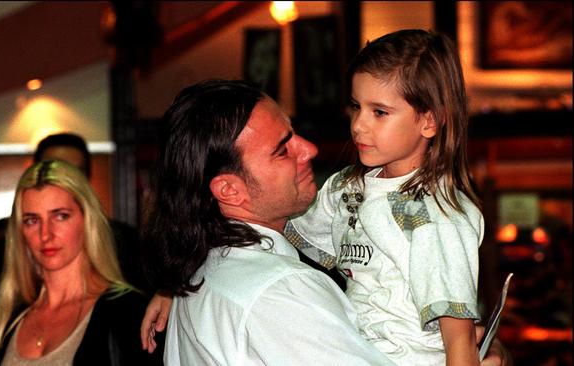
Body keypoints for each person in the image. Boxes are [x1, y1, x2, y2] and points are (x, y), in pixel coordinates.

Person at [141, 78, 511, 365]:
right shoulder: (281, 291)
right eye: (283, 149)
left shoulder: (205, 271)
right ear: (230, 190)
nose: (310, 149)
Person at [284, 29, 483, 365]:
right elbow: (265, 233)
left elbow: (460, 342)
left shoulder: (434, 217)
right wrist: (189, 285)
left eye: (379, 112)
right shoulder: (346, 188)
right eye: (355, 106)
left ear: (430, 120)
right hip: (350, 350)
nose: (358, 125)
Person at [0, 160, 162, 365]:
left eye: (60, 216)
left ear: (87, 219)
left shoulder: (127, 312)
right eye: (32, 220)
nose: (45, 234)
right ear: (20, 232)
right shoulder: (10, 317)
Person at [33, 133, 148, 292]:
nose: (65, 181)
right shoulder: (16, 242)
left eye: (75, 172)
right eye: (55, 171)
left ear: (87, 177)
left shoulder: (124, 241)